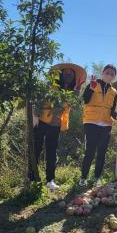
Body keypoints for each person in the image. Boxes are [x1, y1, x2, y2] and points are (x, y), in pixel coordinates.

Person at [32, 63, 85, 191]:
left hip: (55, 124)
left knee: (51, 152)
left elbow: (74, 104)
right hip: (41, 121)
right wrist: (35, 116)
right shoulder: (50, 86)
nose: (68, 76)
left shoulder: (71, 91)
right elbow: (38, 100)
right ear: (60, 75)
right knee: (36, 149)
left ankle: (50, 180)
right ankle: (32, 178)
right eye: (65, 73)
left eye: (71, 74)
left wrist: (78, 89)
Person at [79, 63, 117, 186]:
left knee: (102, 152)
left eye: (112, 74)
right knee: (90, 151)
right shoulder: (93, 83)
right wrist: (91, 88)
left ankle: (97, 178)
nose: (109, 75)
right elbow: (85, 100)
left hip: (106, 124)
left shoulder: (114, 91)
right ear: (102, 73)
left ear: (114, 77)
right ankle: (83, 178)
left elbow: (112, 110)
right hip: (91, 121)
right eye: (107, 72)